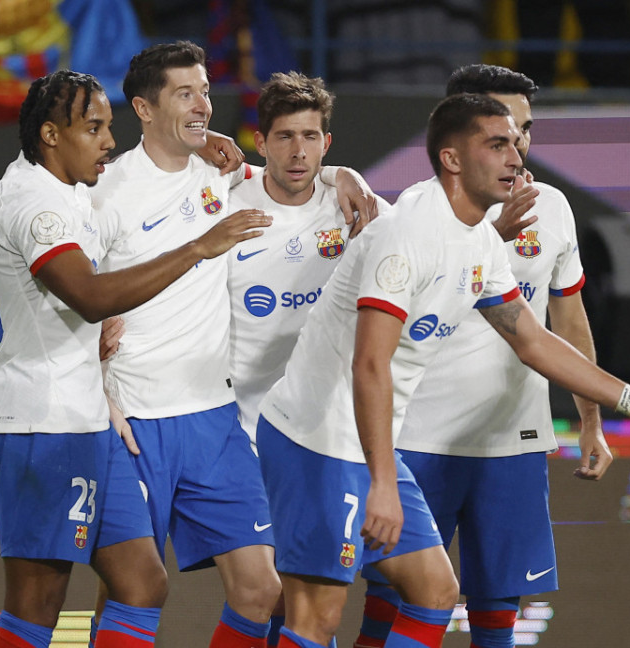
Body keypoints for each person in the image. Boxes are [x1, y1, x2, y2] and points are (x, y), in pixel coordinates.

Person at [256, 92, 630, 648]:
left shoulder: (478, 239)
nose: (516, 158)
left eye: (516, 143)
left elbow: (532, 339)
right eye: (497, 145)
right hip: (315, 441)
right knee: (317, 619)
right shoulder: (408, 235)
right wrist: (381, 482)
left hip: (361, 444)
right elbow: (369, 364)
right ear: (452, 159)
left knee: (434, 596)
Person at [88, 42, 378, 648]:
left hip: (213, 420)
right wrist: (97, 384)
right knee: (130, 590)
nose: (202, 105)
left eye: (205, 92)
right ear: (142, 108)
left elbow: (290, 175)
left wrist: (339, 172)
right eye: (184, 93)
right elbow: (68, 295)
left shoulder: (222, 177)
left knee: (261, 590)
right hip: (134, 416)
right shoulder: (106, 192)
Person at [0, 69, 265, 648]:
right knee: (38, 602)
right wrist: (199, 247)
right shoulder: (36, 206)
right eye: (94, 128)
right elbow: (88, 296)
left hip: (83, 421)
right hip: (41, 424)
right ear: (52, 135)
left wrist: (197, 140)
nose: (109, 141)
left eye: (109, 125)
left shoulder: (70, 187)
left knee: (140, 583)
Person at [353, 64, 607, 648]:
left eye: (525, 127)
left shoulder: (555, 208)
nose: (517, 141)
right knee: (394, 600)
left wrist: (591, 419)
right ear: (458, 141)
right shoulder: (415, 217)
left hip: (511, 441)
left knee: (498, 610)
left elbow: (565, 319)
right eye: (500, 129)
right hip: (421, 435)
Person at [222, 69, 390, 646]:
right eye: (286, 137)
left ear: (328, 144)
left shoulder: (359, 210)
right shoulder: (223, 206)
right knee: (263, 594)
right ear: (260, 142)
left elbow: (428, 246)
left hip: (319, 435)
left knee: (309, 606)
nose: (299, 152)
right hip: (238, 433)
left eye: (312, 137)